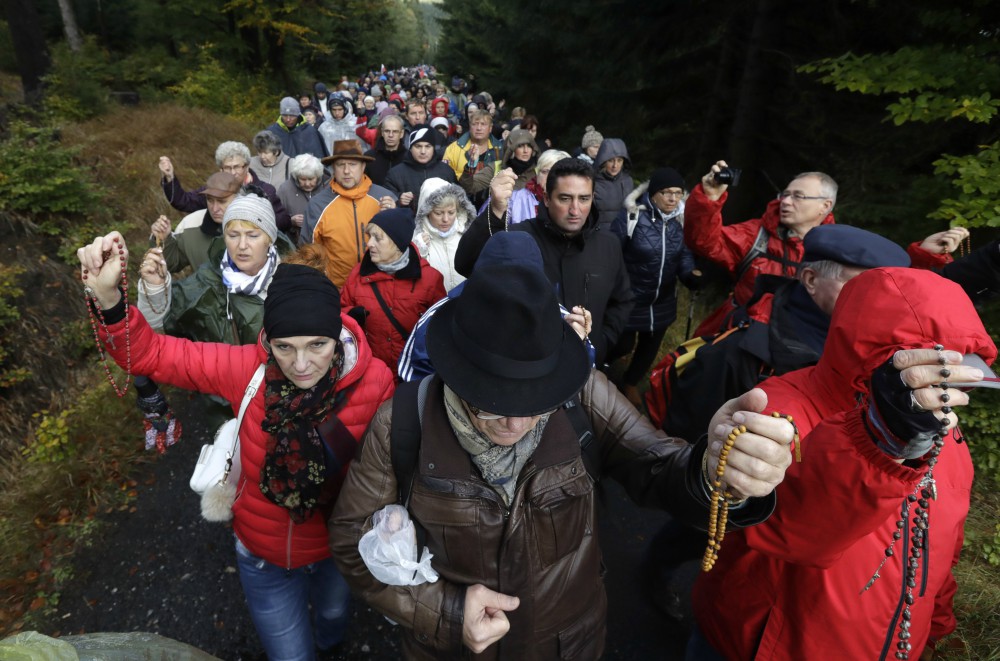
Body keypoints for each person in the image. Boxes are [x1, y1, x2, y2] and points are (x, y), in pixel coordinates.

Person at [329, 261, 797, 659]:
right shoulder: (402, 422)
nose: (513, 425)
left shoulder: (584, 395)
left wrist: (715, 470)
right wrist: (446, 611)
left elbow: (657, 464)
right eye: (489, 406)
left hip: (568, 644)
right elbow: (352, 541)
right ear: (456, 374)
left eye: (535, 403)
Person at [76, 237, 395, 659]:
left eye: (317, 345)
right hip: (262, 555)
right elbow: (151, 353)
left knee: (333, 622)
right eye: (285, 347)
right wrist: (109, 299)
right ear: (269, 340)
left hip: (337, 549)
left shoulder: (377, 383)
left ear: (336, 335)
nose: (301, 365)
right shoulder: (247, 369)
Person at [689, 267, 994, 660]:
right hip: (769, 644)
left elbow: (939, 551)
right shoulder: (782, 408)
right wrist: (878, 441)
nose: (945, 391)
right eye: (930, 374)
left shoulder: (949, 441)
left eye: (960, 378)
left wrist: (936, 628)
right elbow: (788, 530)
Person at [455, 157, 634, 365]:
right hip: (529, 367)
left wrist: (601, 343)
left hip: (586, 365)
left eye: (584, 199)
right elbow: (466, 264)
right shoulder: (520, 239)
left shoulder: (609, 244)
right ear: (547, 199)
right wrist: (495, 212)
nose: (575, 210)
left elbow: (622, 301)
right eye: (565, 199)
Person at [398, 232, 595, 383]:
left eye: (522, 281)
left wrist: (577, 343)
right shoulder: (437, 317)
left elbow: (584, 372)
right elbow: (413, 376)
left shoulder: (555, 314)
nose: (510, 291)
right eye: (500, 280)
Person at [137, 191, 295, 346]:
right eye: (233, 235)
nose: (242, 245)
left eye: (252, 235)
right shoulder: (206, 281)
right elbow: (159, 333)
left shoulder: (296, 280)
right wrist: (155, 289)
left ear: (270, 239)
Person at [609, 167, 701, 407]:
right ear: (653, 194)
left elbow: (684, 255)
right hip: (630, 297)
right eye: (666, 192)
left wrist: (690, 274)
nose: (673, 198)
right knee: (622, 343)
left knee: (650, 346)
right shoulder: (631, 216)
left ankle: (630, 382)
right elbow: (610, 251)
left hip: (662, 299)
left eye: (678, 193)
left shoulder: (680, 221)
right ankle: (602, 369)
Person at [340, 209, 445, 368]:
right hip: (372, 370)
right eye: (370, 237)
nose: (369, 244)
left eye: (378, 238)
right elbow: (340, 313)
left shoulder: (430, 279)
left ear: (398, 243)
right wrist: (351, 316)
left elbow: (440, 328)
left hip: (412, 371)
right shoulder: (357, 274)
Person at [301, 140, 397, 287]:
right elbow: (308, 251)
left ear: (363, 166)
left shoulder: (385, 198)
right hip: (336, 289)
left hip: (380, 286)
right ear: (333, 168)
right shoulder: (318, 205)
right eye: (340, 165)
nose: (346, 171)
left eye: (352, 164)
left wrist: (394, 215)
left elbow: (402, 245)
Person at [158, 142, 290, 231]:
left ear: (247, 166)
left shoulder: (265, 190)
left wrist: (256, 219)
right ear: (220, 169)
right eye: (227, 167)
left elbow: (283, 220)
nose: (233, 172)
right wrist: (170, 177)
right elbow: (183, 201)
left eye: (237, 167)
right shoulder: (213, 191)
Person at [150, 171, 242, 274]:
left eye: (222, 201)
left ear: (238, 199)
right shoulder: (190, 224)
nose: (215, 208)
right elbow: (170, 264)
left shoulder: (257, 226)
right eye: (210, 200)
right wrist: (163, 239)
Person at [412, 178, 475, 291]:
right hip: (434, 304)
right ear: (426, 212)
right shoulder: (417, 241)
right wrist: (418, 252)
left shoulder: (467, 235)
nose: (446, 219)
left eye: (451, 212)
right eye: (438, 213)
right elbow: (412, 285)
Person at [460, 128, 539, 211]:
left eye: (529, 146)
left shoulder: (539, 171)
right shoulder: (496, 168)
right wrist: (472, 163)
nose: (526, 151)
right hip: (499, 220)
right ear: (511, 150)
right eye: (520, 146)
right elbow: (469, 187)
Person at [384, 126, 457, 212]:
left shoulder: (446, 171)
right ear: (410, 148)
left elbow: (458, 200)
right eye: (418, 146)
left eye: (427, 146)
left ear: (433, 148)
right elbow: (386, 201)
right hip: (408, 223)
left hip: (441, 223)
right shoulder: (395, 174)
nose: (423, 151)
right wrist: (399, 199)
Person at [442, 109, 503, 181]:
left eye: (483, 124)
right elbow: (445, 174)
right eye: (475, 124)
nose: (479, 128)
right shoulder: (453, 148)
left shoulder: (499, 149)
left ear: (490, 128)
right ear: (470, 126)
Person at [277, 154, 325, 245]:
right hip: (294, 246)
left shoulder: (327, 188)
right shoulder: (285, 189)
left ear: (318, 176)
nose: (307, 183)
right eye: (302, 179)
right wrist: (290, 221)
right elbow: (275, 217)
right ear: (296, 176)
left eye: (311, 179)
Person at [592, 138, 634, 231]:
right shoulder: (592, 182)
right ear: (603, 161)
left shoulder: (628, 181)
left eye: (619, 160)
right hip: (599, 235)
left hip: (624, 235)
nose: (615, 165)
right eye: (611, 160)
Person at [363, 114, 407, 187]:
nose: (390, 135)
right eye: (387, 131)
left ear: (401, 133)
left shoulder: (408, 157)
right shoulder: (369, 157)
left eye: (395, 131)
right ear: (382, 132)